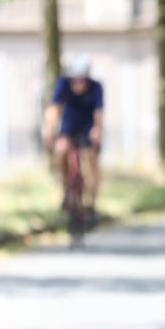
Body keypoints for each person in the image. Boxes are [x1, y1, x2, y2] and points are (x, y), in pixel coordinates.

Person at [42, 55, 104, 215]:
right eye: (75, 80)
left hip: (88, 127)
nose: (78, 84)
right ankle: (66, 190)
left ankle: (91, 202)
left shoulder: (96, 88)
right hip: (69, 127)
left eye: (82, 80)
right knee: (61, 151)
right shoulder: (63, 83)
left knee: (91, 161)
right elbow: (54, 108)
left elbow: (99, 114)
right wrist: (49, 130)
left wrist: (97, 131)